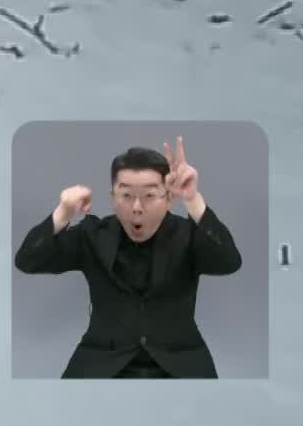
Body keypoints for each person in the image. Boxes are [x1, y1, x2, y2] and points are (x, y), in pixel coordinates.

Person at [13, 137, 242, 378]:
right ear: (113, 197)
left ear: (168, 199)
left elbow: (229, 261)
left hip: (180, 363)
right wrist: (63, 212)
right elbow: (27, 260)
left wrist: (193, 200)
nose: (137, 207)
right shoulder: (92, 235)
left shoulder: (187, 234)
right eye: (126, 195)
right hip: (101, 361)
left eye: (150, 195)